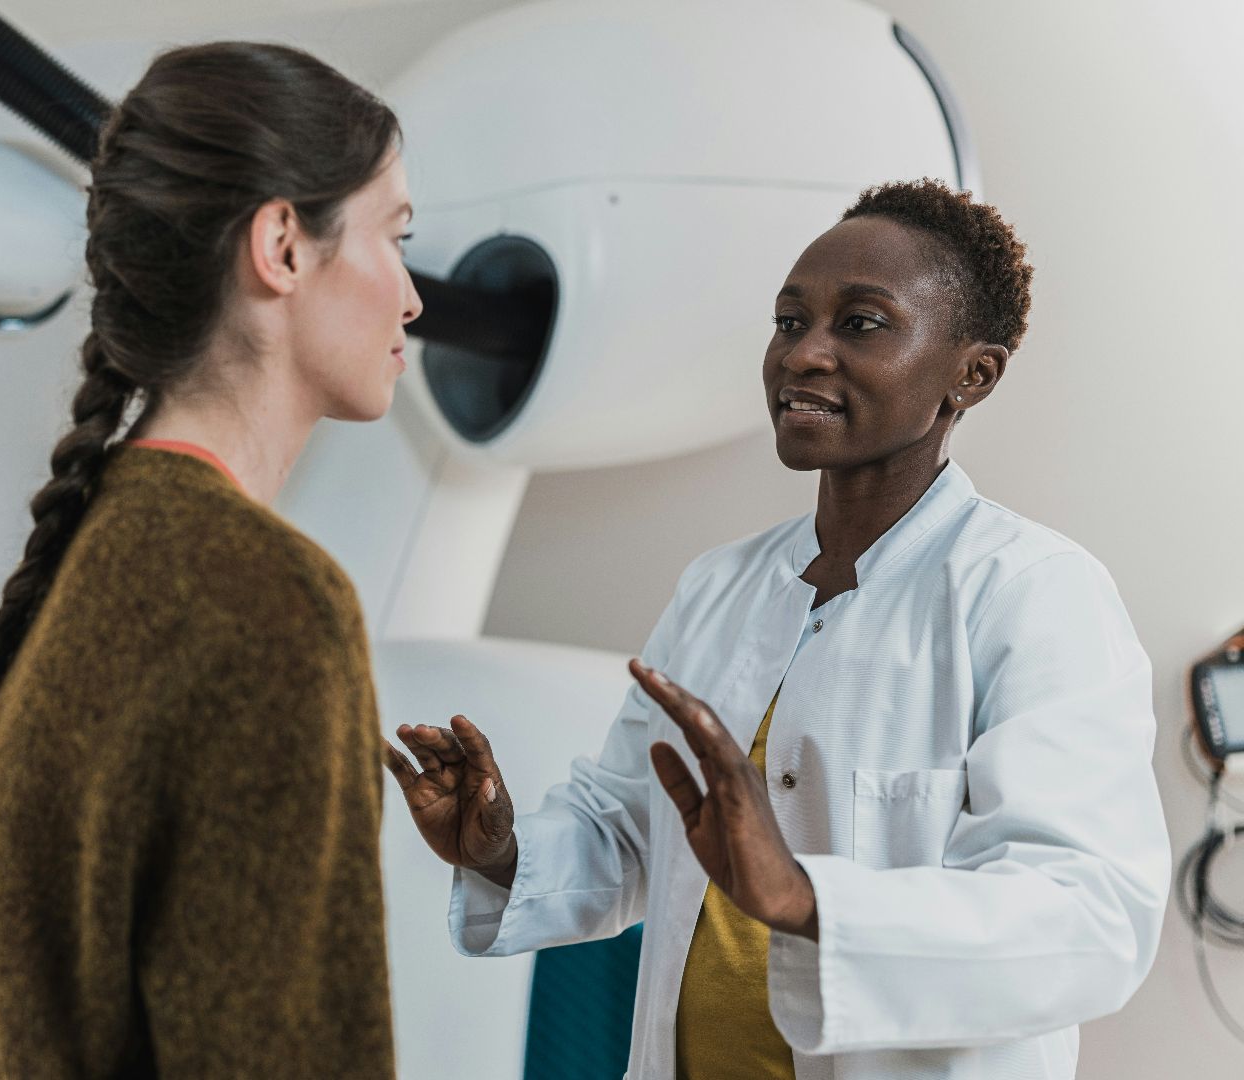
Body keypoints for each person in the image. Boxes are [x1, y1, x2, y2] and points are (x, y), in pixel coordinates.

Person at [385, 179, 1170, 1080]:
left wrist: (806, 900)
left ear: (972, 374)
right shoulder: (720, 585)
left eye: (862, 324)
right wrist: (502, 848)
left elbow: (1088, 918)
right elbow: (630, 829)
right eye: (790, 321)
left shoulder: (1033, 594)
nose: (804, 355)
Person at [0, 41, 420, 1079]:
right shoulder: (267, 602)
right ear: (281, 245)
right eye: (395, 236)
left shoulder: (94, 558)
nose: (410, 296)